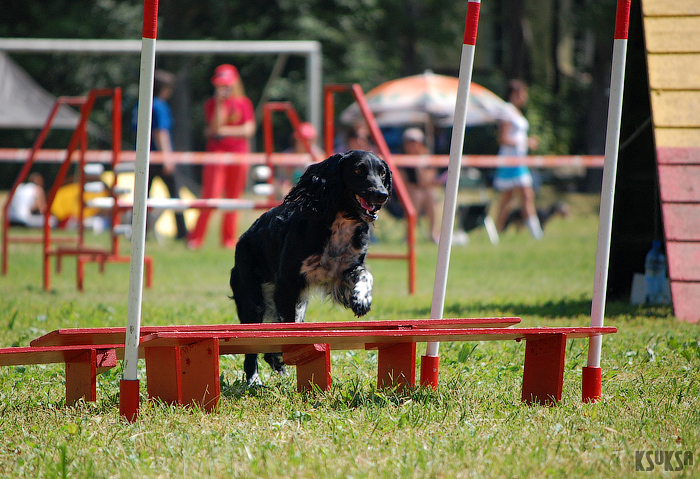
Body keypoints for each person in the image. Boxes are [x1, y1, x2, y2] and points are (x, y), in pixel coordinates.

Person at [186, 64, 255, 250]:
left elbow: (248, 130)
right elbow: (215, 127)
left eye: (227, 84)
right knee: (210, 195)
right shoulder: (211, 104)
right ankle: (196, 238)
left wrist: (223, 132)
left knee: (234, 198)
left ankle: (228, 239)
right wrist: (219, 104)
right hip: (216, 154)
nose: (224, 88)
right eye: (220, 84)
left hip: (239, 154)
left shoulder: (244, 103)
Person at [131, 69, 188, 240]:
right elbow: (160, 132)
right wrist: (167, 158)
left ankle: (138, 233)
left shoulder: (140, 104)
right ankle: (182, 233)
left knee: (141, 199)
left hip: (142, 158)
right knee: (175, 196)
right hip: (158, 158)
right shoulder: (159, 106)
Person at [492, 80, 543, 240]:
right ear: (515, 94)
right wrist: (526, 142)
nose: (525, 97)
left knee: (508, 198)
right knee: (525, 194)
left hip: (519, 159)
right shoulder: (507, 111)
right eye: (523, 93)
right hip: (510, 159)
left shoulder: (515, 111)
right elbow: (503, 138)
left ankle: (496, 233)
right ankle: (536, 234)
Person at [387, 128, 441, 243]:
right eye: (409, 143)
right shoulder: (400, 161)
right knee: (417, 194)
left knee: (429, 194)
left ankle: (433, 233)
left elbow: (427, 182)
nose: (412, 146)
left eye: (415, 143)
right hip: (400, 202)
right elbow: (402, 186)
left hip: (423, 199)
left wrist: (420, 164)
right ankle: (409, 235)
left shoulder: (427, 160)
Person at [276, 122, 324, 197]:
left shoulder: (318, 155)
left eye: (310, 140)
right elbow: (282, 181)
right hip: (291, 190)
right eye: (303, 140)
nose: (306, 143)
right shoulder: (287, 156)